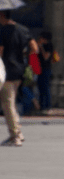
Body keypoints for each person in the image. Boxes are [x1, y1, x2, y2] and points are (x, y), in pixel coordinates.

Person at [0, 10, 37, 146]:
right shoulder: (23, 29)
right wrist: (24, 55)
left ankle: (15, 135)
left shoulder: (2, 31)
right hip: (20, 69)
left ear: (2, 15)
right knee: (12, 102)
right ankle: (18, 132)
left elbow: (0, 51)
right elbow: (34, 48)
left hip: (6, 70)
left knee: (7, 104)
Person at [36, 31, 54, 112]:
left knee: (46, 87)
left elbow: (46, 57)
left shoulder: (48, 45)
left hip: (46, 69)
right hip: (40, 69)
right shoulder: (41, 45)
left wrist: (41, 47)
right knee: (40, 87)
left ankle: (47, 105)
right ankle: (41, 105)